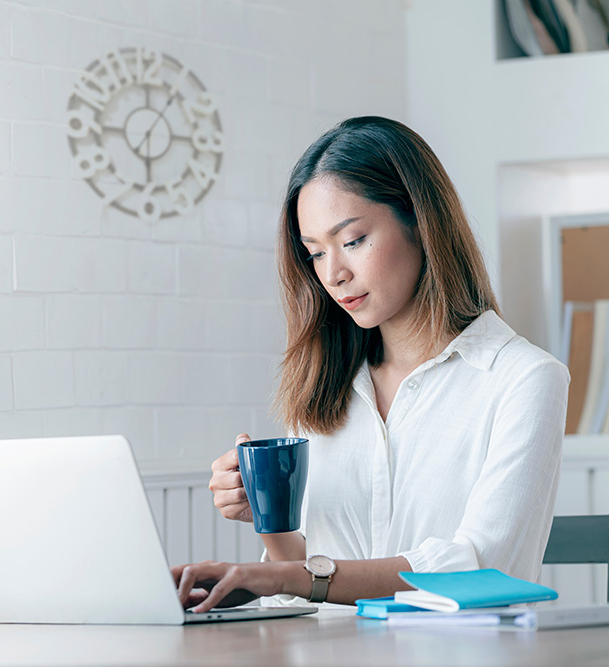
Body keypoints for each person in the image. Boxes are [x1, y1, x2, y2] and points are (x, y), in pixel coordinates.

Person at [172, 116, 569, 613]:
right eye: (315, 253)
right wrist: (270, 521)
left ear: (421, 223)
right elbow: (307, 576)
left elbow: (481, 567)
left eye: (353, 241)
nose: (334, 274)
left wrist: (282, 575)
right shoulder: (326, 388)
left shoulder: (524, 379)